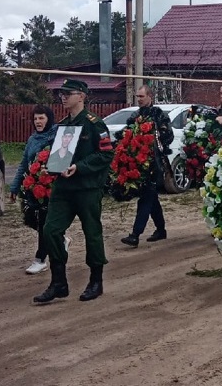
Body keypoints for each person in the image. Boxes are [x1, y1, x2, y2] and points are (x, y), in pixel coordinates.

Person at [34, 78, 114, 304]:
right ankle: (59, 282)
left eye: (68, 93)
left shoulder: (94, 124)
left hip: (87, 188)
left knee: (92, 233)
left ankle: (96, 281)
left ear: (82, 96)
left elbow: (106, 154)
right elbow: (59, 153)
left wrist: (79, 167)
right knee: (50, 230)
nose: (63, 97)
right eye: (62, 93)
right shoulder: (62, 125)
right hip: (63, 188)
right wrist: (50, 166)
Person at [120, 85, 174, 248]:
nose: (139, 99)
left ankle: (135, 235)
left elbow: (168, 136)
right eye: (138, 96)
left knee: (146, 197)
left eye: (142, 96)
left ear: (150, 96)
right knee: (151, 198)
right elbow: (127, 134)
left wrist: (157, 140)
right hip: (138, 162)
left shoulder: (158, 114)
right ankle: (161, 230)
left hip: (155, 163)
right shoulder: (135, 116)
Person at [10, 105, 57, 275]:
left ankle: (40, 259)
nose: (38, 122)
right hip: (34, 188)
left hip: (52, 187)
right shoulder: (32, 139)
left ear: (49, 119)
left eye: (41, 118)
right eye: (36, 118)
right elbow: (24, 164)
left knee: (44, 222)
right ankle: (59, 238)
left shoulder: (56, 136)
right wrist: (15, 187)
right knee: (35, 221)